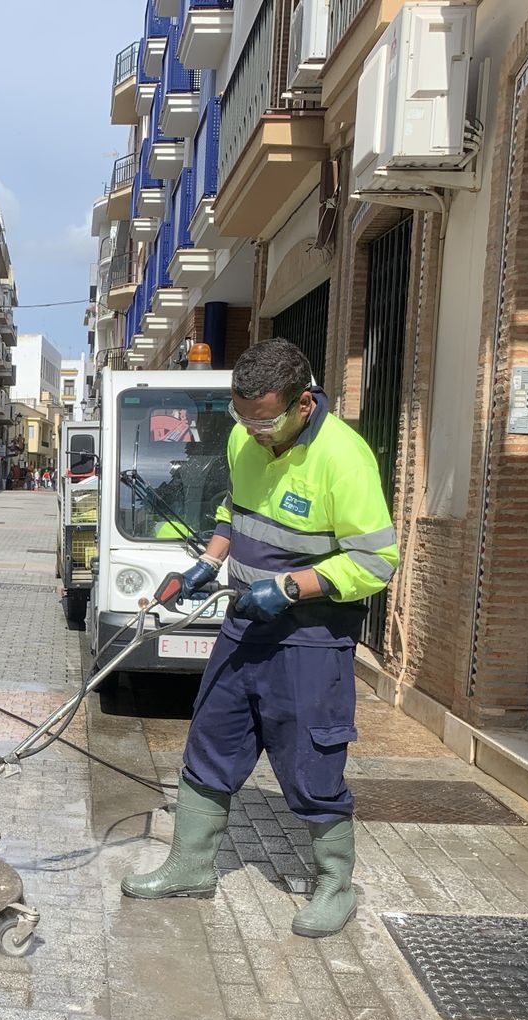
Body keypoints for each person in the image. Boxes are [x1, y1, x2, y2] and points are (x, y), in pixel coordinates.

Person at [121, 338, 398, 938]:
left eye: (265, 419)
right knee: (211, 737)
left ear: (303, 403)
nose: (252, 430)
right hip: (245, 626)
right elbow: (233, 510)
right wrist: (205, 563)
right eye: (241, 417)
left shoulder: (343, 458)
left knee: (310, 760)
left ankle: (334, 884)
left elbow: (377, 564)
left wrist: (295, 587)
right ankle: (190, 866)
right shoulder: (248, 435)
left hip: (311, 637)